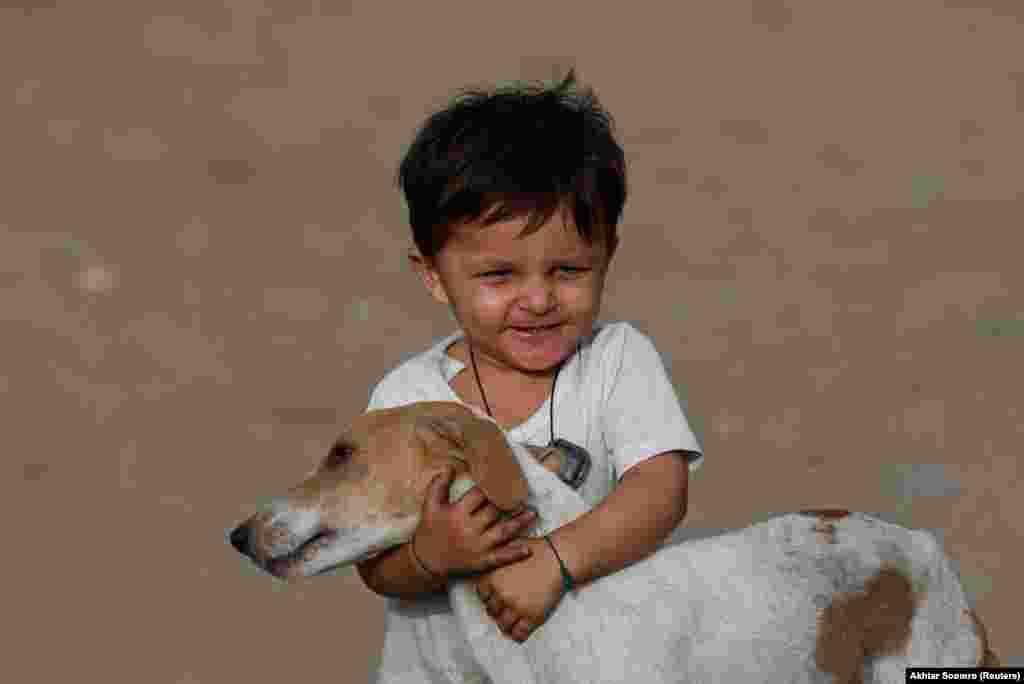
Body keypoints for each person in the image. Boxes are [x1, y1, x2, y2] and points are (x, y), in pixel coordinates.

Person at [356, 69, 704, 683]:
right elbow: (375, 563)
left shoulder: (616, 362)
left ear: (608, 255)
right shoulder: (407, 398)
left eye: (568, 270)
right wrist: (429, 555)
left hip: (598, 664)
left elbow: (660, 489)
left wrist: (557, 561)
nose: (538, 299)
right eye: (498, 277)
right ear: (433, 274)